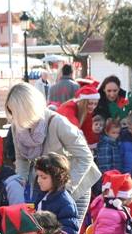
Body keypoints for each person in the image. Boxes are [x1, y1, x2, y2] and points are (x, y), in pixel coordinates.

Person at [7, 82, 100, 220]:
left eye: (15, 112)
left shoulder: (58, 123)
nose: (13, 117)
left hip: (75, 186)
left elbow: (85, 157)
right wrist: (21, 184)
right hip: (44, 186)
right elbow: (21, 159)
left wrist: (65, 189)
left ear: (28, 108)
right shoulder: (17, 127)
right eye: (10, 112)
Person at [31, 152, 80, 234]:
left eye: (43, 177)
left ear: (57, 178)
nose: (39, 180)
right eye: (38, 176)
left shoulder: (65, 203)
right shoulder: (42, 194)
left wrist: (46, 232)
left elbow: (70, 232)